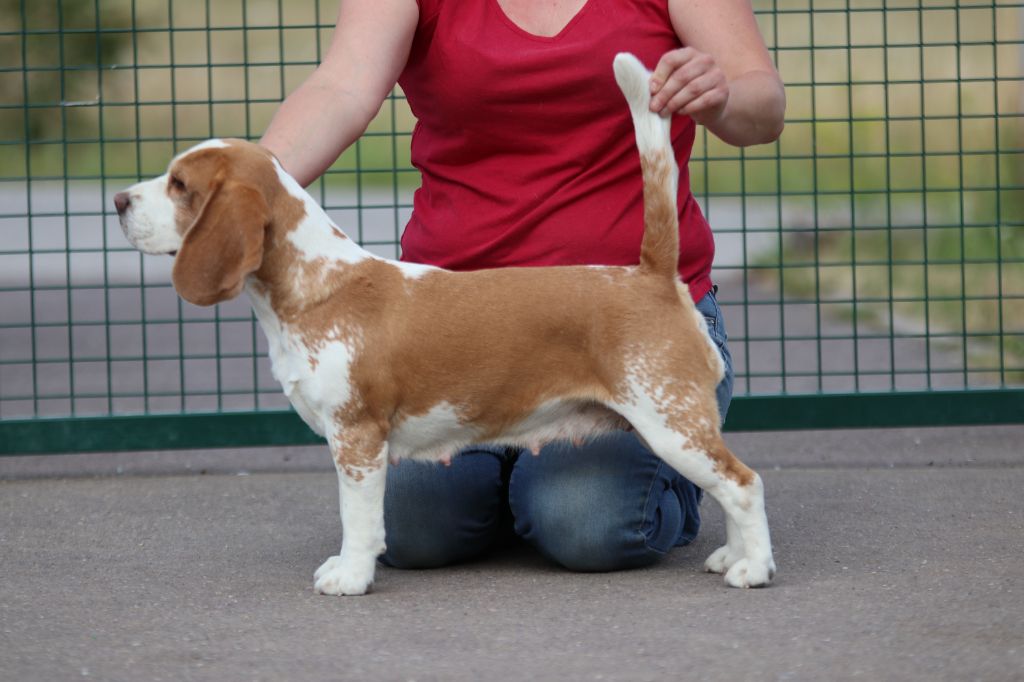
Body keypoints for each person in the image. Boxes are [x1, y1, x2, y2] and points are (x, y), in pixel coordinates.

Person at [260, 0, 785, 572]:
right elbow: (340, 87)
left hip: (626, 322)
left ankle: (620, 491)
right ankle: (519, 476)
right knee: (415, 529)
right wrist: (241, 188)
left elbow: (762, 103)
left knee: (585, 522)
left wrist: (724, 96)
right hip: (452, 331)